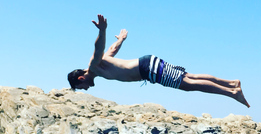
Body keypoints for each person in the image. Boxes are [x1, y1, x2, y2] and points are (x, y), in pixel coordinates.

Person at [67, 15, 250, 107]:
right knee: (190, 77)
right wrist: (121, 39)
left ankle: (232, 93)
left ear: (80, 79)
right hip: (148, 65)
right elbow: (111, 50)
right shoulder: (100, 67)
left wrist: (102, 30)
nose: (86, 89)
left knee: (188, 84)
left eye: (81, 88)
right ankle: (231, 83)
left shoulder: (93, 66)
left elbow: (99, 49)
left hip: (148, 69)